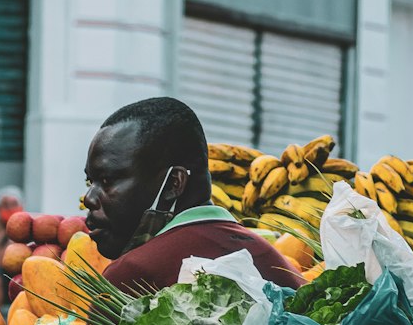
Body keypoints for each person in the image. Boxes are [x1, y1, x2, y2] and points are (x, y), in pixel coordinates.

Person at [84, 96, 302, 291]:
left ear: (173, 184)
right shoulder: (278, 265)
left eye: (107, 181)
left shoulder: (132, 275)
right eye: (89, 182)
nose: (89, 199)